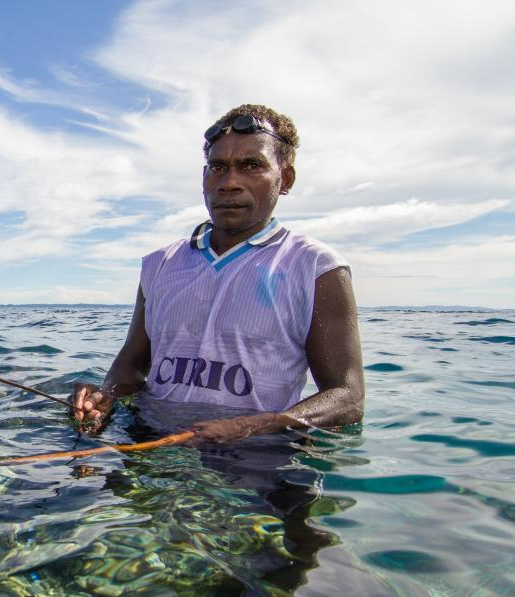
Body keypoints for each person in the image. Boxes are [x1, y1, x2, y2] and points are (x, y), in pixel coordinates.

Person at [72, 104, 364, 446]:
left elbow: (347, 397)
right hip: (151, 445)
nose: (230, 183)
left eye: (252, 166)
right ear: (204, 178)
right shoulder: (160, 264)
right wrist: (104, 397)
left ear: (285, 179)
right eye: (218, 167)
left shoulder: (316, 267)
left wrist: (254, 426)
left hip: (256, 457)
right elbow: (132, 365)